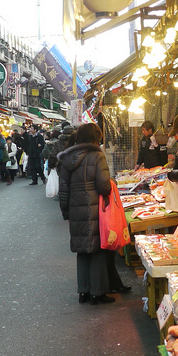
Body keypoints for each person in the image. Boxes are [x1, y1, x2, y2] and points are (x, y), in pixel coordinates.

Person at [57, 123, 121, 305]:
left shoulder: (68, 157)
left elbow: (63, 189)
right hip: (95, 209)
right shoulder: (97, 155)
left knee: (83, 250)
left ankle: (83, 291)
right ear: (95, 138)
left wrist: (66, 212)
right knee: (98, 249)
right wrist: (111, 183)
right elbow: (103, 186)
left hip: (76, 209)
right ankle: (98, 292)